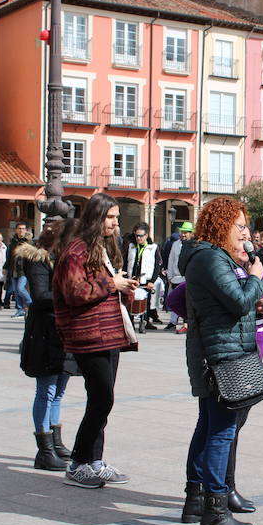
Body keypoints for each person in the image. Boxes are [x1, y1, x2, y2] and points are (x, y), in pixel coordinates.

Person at [179, 196, 263, 525]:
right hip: (220, 356)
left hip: (217, 350)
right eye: (241, 226)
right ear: (222, 226)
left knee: (208, 426)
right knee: (221, 430)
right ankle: (214, 510)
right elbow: (238, 302)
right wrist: (255, 278)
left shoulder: (210, 258)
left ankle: (195, 500)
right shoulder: (211, 259)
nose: (246, 234)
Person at [54, 193, 138, 488]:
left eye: (116, 217)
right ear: (96, 218)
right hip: (88, 334)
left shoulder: (103, 248)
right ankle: (78, 464)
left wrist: (121, 285)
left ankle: (94, 461)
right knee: (102, 398)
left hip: (108, 332)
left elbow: (98, 286)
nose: (116, 223)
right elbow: (73, 292)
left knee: (102, 399)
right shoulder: (77, 250)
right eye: (111, 217)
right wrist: (110, 283)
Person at [19, 219, 80, 471]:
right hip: (45, 330)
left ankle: (56, 441)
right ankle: (43, 449)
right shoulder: (39, 258)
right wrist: (74, 294)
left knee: (60, 389)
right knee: (46, 390)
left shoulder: (66, 259)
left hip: (64, 329)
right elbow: (40, 295)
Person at [125, 222, 163, 331]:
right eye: (136, 235)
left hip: (146, 280)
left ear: (146, 235)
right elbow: (126, 263)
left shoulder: (153, 248)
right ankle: (131, 322)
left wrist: (152, 281)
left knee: (146, 303)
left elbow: (157, 266)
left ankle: (145, 322)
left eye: (141, 236)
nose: (138, 238)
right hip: (132, 279)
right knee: (131, 301)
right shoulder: (131, 246)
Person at [165, 222, 194, 332]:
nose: (183, 234)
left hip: (187, 277)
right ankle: (173, 322)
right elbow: (171, 260)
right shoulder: (176, 244)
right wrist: (170, 276)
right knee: (173, 299)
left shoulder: (193, 245)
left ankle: (186, 323)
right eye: (182, 232)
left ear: (191, 234)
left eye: (185, 232)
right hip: (176, 276)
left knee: (187, 302)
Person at [6, 222, 32, 318]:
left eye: (23, 229)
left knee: (20, 288)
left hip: (23, 269)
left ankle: (31, 303)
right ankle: (20, 309)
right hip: (14, 269)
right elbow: (9, 256)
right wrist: (6, 267)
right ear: (16, 230)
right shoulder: (13, 242)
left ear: (25, 230)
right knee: (16, 292)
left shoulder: (29, 242)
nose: (21, 230)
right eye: (19, 228)